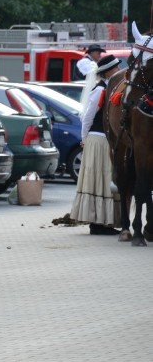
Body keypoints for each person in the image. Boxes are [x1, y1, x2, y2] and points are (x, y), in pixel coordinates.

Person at [69, 53, 122, 234]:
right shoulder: (100, 90)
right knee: (100, 179)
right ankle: (97, 222)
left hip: (106, 139)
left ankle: (105, 221)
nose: (118, 70)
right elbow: (87, 117)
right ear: (107, 72)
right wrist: (84, 140)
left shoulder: (112, 88)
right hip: (98, 138)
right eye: (115, 68)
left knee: (106, 178)